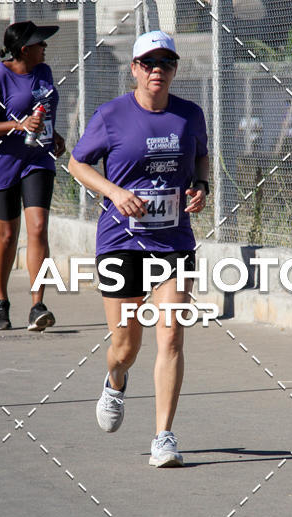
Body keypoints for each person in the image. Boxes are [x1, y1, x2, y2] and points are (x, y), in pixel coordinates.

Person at [68, 30, 209, 467]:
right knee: (126, 346)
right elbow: (77, 163)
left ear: (174, 70)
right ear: (134, 69)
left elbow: (201, 157)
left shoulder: (189, 115)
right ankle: (115, 379)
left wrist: (202, 185)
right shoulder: (111, 115)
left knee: (170, 334)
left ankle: (164, 437)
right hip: (121, 242)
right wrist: (114, 192)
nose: (157, 71)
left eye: (165, 64)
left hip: (173, 241)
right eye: (148, 63)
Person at [0, 20, 66, 331]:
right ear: (24, 50)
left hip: (38, 159)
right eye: (40, 43)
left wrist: (55, 135)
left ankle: (37, 305)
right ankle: (1, 299)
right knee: (8, 235)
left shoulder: (45, 72)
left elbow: (43, 112)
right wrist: (17, 125)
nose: (45, 47)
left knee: (38, 228)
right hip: (5, 162)